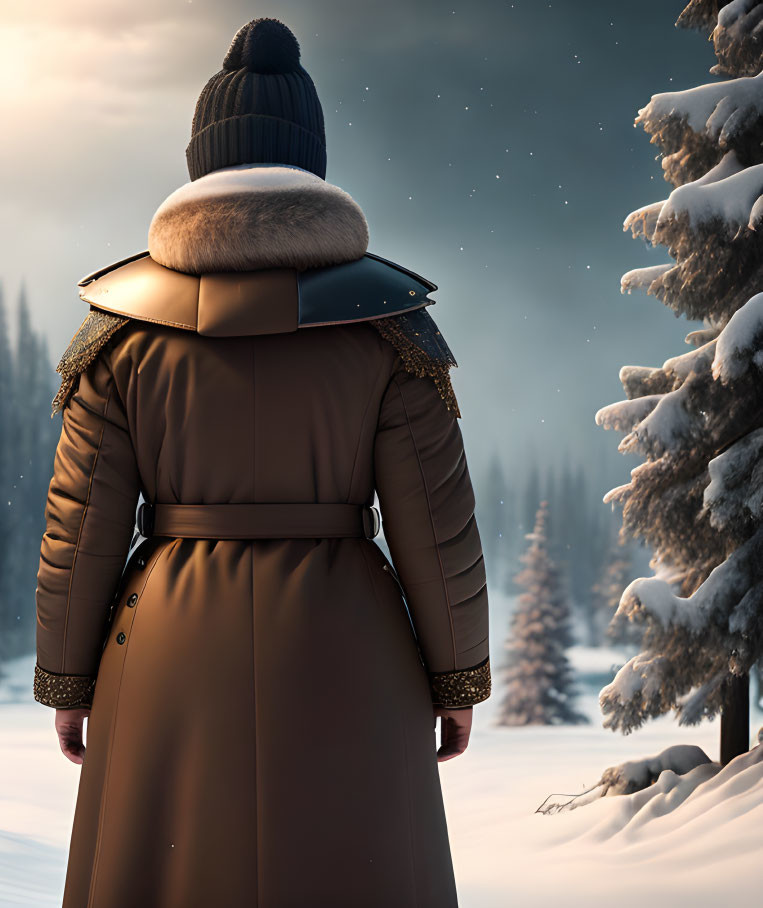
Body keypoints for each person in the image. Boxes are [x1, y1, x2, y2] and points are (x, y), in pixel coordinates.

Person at [33, 17, 490, 908]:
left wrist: (68, 680)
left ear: (201, 161)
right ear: (311, 162)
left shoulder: (118, 338)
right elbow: (436, 529)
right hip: (344, 644)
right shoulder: (390, 334)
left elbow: (79, 530)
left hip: (163, 646)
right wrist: (454, 678)